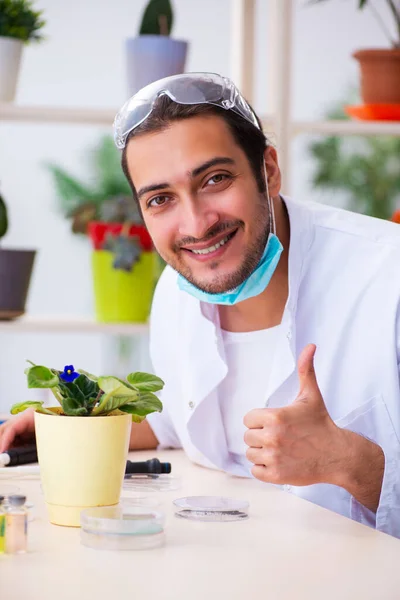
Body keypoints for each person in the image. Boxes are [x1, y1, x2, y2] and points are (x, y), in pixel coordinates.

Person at [1, 73, 399, 537]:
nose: (195, 224)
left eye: (215, 179)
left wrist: (350, 464)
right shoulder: (176, 289)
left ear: (268, 171)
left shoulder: (388, 277)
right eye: (161, 199)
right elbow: (180, 420)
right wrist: (75, 422)